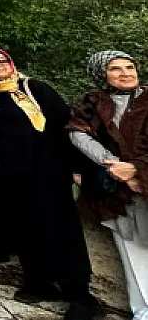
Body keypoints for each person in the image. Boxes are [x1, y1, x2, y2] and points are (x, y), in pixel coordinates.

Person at [0, 47, 98, 320]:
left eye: (1, 61)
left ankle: (80, 294)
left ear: (11, 63)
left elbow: (67, 126)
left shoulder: (33, 88)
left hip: (46, 174)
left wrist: (76, 168)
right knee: (23, 231)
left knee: (61, 231)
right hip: (5, 178)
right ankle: (38, 283)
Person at [69, 51, 147, 320]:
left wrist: (138, 169)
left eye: (130, 67)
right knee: (131, 253)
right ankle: (143, 311)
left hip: (144, 182)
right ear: (103, 74)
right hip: (117, 191)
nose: (125, 73)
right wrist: (116, 167)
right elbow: (79, 135)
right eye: (116, 69)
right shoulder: (90, 103)